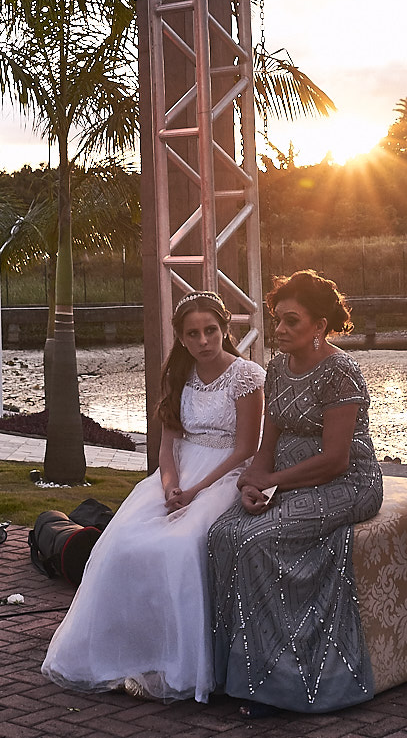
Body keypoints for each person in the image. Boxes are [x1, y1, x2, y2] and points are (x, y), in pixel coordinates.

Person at [42, 291, 265, 702]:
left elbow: (246, 447)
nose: (203, 340)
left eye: (210, 331)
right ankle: (130, 655)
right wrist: (169, 487)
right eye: (193, 333)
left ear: (225, 329)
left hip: (227, 475)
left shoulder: (247, 376)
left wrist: (197, 492)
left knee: (178, 549)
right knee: (122, 545)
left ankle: (177, 664)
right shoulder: (180, 377)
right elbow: (167, 445)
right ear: (181, 338)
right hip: (179, 474)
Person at [208, 269, 383, 718]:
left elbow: (335, 460)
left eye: (291, 321)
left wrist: (271, 483)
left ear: (319, 327)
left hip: (347, 483)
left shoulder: (341, 372)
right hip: (285, 478)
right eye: (277, 320)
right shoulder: (276, 367)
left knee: (258, 541)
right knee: (223, 535)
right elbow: (267, 442)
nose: (280, 330)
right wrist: (252, 482)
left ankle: (277, 684)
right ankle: (231, 674)